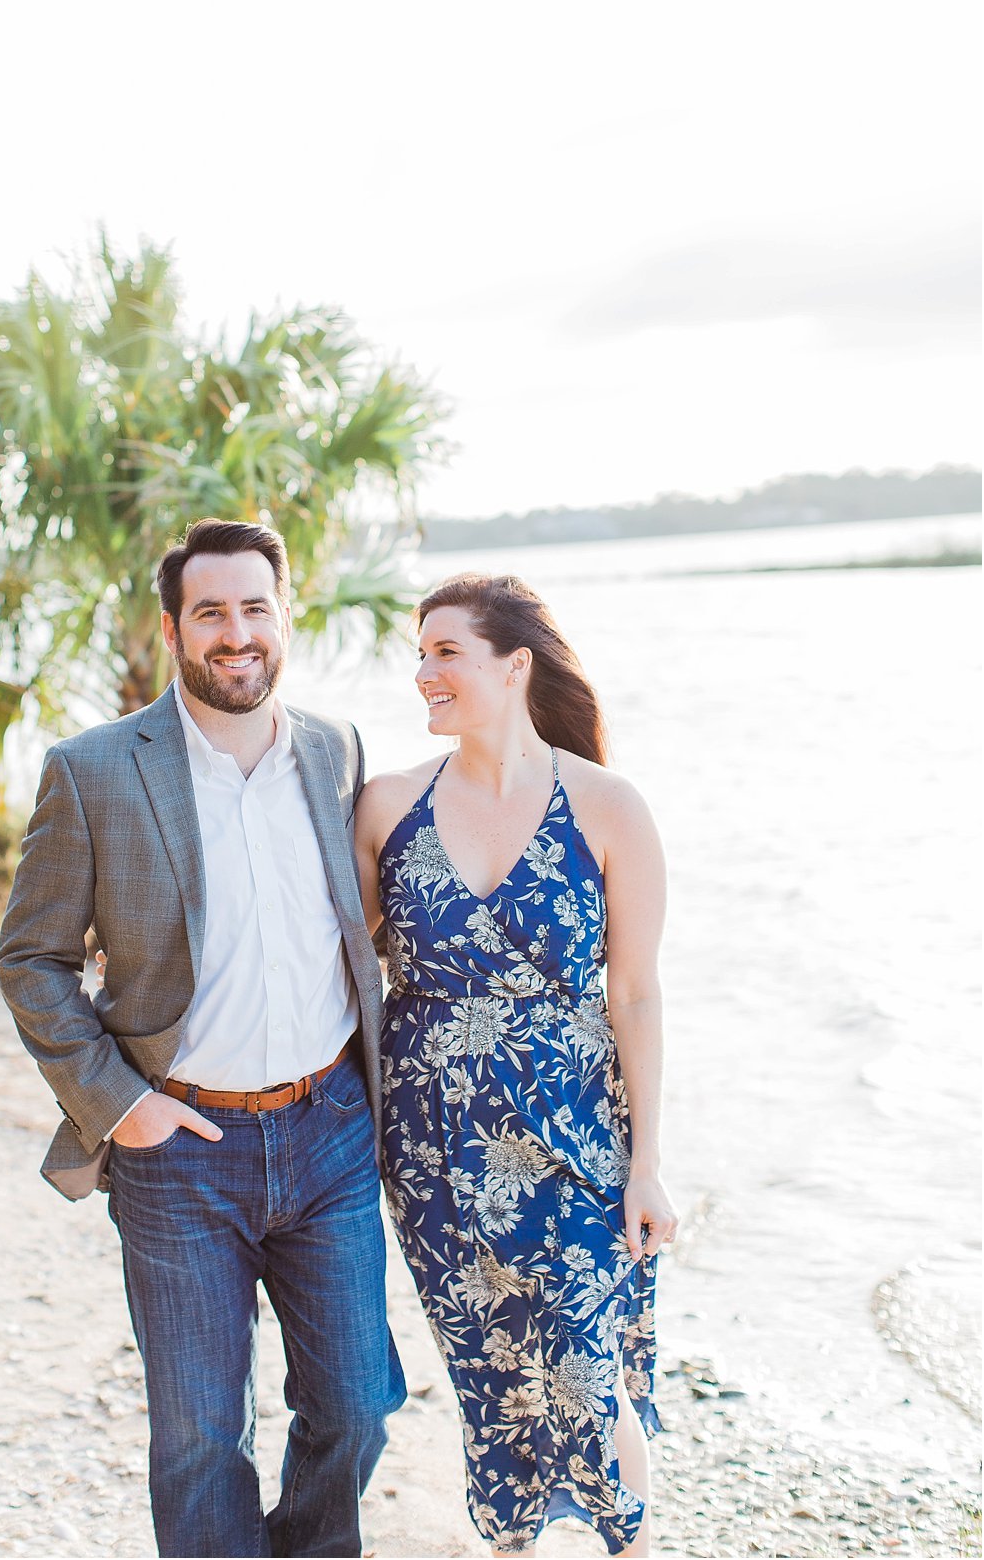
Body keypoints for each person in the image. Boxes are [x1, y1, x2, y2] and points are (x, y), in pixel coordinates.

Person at [0, 517, 406, 1560]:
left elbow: (363, 927)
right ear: (174, 627)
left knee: (357, 1405)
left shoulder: (335, 748)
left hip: (330, 1133)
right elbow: (31, 958)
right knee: (195, 1436)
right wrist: (121, 1105)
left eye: (254, 608)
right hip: (178, 1152)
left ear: (284, 616)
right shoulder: (93, 771)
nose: (237, 632)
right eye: (211, 612)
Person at [355, 572, 678, 1558]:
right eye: (419, 653)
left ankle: (629, 1544)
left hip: (578, 1137)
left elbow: (635, 992)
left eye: (445, 651)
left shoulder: (609, 806)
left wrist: (649, 1162)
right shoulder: (384, 807)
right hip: (432, 1149)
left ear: (515, 664)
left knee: (584, 1363)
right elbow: (335, 965)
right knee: (491, 1373)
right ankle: (513, 1546)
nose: (423, 673)